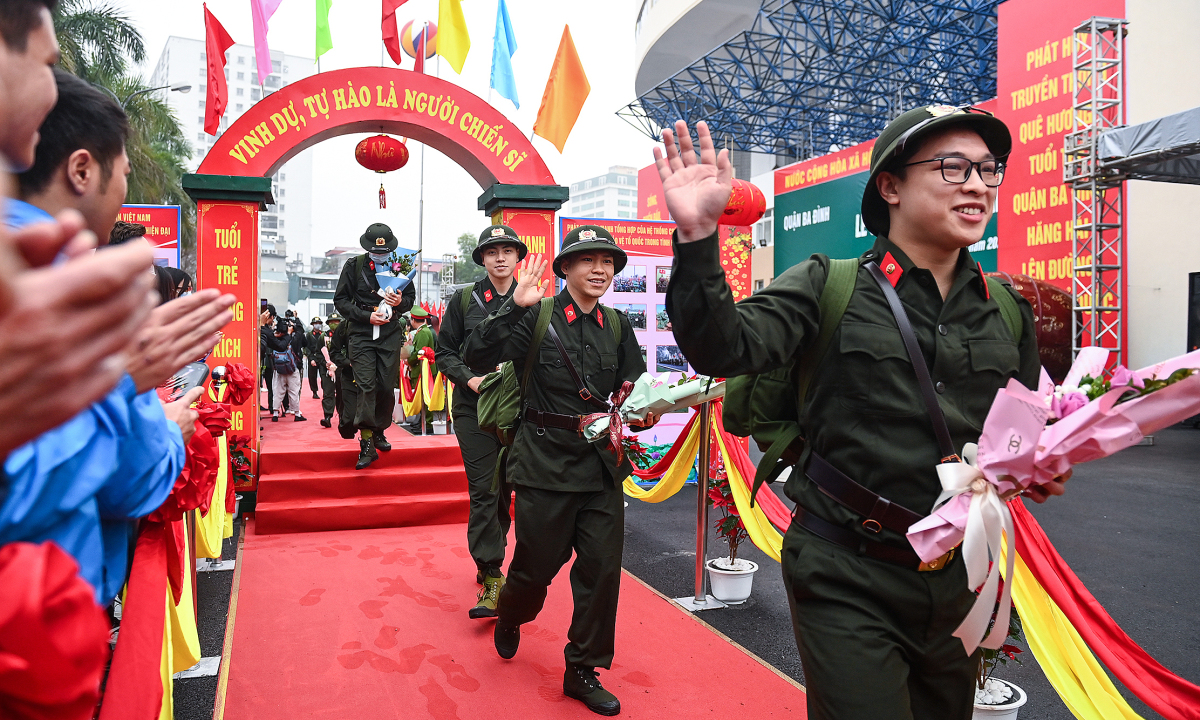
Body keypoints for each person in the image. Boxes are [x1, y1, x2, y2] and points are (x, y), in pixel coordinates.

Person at [656, 114, 1070, 720]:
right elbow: (725, 348)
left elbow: (1024, 431)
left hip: (956, 575)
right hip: (845, 570)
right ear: (891, 187)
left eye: (988, 171)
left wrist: (1042, 463)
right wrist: (697, 238)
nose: (977, 185)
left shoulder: (1006, 309)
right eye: (953, 167)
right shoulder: (830, 285)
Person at [463, 226, 654, 717]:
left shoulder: (616, 324)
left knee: (600, 571)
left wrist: (644, 406)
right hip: (543, 464)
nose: (599, 270)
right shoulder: (537, 315)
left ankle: (583, 669)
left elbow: (631, 379)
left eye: (607, 262)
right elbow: (478, 355)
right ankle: (511, 614)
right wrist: (516, 306)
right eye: (587, 260)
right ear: (565, 268)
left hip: (599, 468)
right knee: (534, 569)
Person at [435, 224, 525, 615]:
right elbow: (444, 352)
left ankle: (493, 554)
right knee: (485, 489)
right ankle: (491, 572)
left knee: (506, 490)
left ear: (518, 257)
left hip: (518, 410)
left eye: (507, 251)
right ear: (483, 259)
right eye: (492, 252)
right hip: (474, 408)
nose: (501, 257)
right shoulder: (464, 300)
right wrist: (468, 379)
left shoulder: (533, 300)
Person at [333, 223, 414, 470]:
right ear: (367, 248)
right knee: (366, 385)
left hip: (389, 332)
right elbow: (341, 301)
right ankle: (366, 442)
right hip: (361, 331)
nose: (380, 255)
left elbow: (410, 301)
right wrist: (366, 316)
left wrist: (400, 302)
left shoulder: (401, 266)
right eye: (375, 251)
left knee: (385, 387)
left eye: (384, 251)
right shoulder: (354, 266)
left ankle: (379, 429)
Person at [263, 316, 305, 422]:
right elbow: (301, 330)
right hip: (292, 369)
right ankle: (296, 414)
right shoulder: (293, 339)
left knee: (277, 391)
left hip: (278, 370)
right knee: (294, 391)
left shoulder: (274, 338)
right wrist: (295, 321)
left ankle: (275, 414)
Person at [405, 306, 435, 434]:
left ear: (413, 320)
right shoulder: (423, 331)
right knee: (422, 396)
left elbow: (419, 352)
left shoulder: (423, 332)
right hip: (423, 369)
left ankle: (427, 423)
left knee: (425, 396)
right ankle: (422, 421)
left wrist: (408, 360)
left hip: (424, 370)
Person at [327, 310, 356, 439]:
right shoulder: (344, 327)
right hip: (347, 372)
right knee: (340, 398)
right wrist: (347, 362)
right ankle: (337, 419)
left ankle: (370, 440)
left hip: (371, 375)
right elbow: (334, 351)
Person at [319, 313, 341, 428]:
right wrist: (326, 363)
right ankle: (327, 416)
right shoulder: (323, 337)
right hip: (327, 370)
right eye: (331, 322)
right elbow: (318, 354)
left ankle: (343, 417)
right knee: (328, 393)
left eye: (336, 322)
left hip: (341, 369)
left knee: (342, 393)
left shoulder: (345, 335)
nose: (334, 324)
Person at [305, 316, 324, 400]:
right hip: (312, 357)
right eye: (316, 323)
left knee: (324, 375)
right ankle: (314, 391)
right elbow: (306, 347)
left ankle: (325, 390)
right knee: (312, 376)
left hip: (322, 357)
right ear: (313, 325)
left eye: (319, 323)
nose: (317, 325)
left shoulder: (323, 334)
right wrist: (311, 358)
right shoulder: (309, 335)